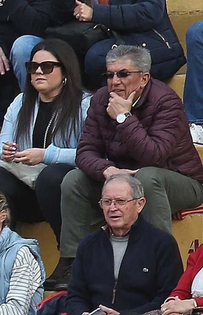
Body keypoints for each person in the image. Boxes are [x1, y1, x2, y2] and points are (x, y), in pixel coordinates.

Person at [58, 45, 200, 278]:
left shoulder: (166, 101)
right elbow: (85, 151)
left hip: (179, 179)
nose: (114, 81)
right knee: (74, 179)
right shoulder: (101, 99)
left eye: (123, 74)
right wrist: (107, 170)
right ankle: (73, 262)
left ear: (144, 78)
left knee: (147, 177)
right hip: (123, 177)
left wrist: (124, 118)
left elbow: (154, 156)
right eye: (110, 75)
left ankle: (161, 263)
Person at [0, 40, 89, 259]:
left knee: (52, 174)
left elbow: (91, 154)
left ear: (65, 70)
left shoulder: (85, 104)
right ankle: (1, 254)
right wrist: (7, 154)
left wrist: (47, 155)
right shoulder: (21, 102)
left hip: (65, 191)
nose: (38, 72)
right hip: (29, 188)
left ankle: (69, 257)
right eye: (32, 67)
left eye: (46, 67)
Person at [62, 174, 184, 315]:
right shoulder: (88, 244)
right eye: (107, 202)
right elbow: (75, 294)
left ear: (139, 204)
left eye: (120, 201)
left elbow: (167, 297)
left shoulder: (161, 243)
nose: (112, 208)